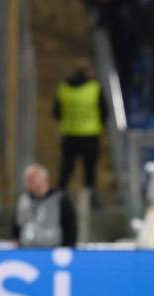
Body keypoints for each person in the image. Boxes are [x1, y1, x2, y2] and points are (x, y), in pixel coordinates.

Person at [53, 58, 107, 195]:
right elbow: (104, 112)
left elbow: (56, 112)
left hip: (69, 135)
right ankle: (91, 202)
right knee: (89, 169)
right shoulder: (94, 88)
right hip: (89, 135)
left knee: (66, 169)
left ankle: (60, 199)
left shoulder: (63, 88)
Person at [12, 164, 78, 247]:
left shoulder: (60, 199)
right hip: (27, 250)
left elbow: (70, 225)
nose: (28, 183)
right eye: (27, 180)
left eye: (32, 179)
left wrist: (68, 247)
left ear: (44, 179)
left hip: (53, 249)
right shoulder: (23, 200)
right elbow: (17, 226)